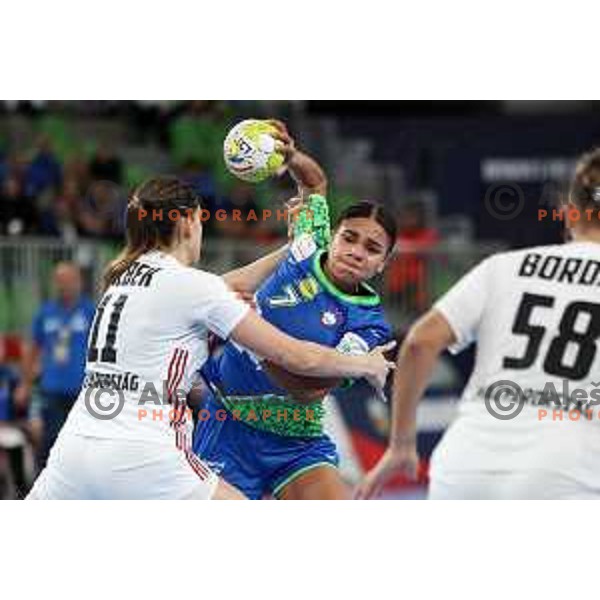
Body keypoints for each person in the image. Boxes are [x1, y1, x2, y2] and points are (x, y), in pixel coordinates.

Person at [27, 174, 394, 500]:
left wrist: (293, 249)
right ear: (189, 223)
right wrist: (365, 363)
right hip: (146, 448)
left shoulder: (122, 278)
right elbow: (299, 358)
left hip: (76, 443)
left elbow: (222, 288)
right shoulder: (192, 286)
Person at [357, 148, 600, 500]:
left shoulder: (504, 266)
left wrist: (401, 444)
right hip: (568, 471)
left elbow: (420, 342)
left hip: (465, 465)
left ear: (569, 212)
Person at [194, 132, 398, 500]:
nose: (356, 252)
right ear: (332, 236)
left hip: (297, 443)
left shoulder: (371, 324)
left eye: (372, 249)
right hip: (226, 428)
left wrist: (248, 331)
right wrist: (287, 156)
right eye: (349, 238)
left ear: (382, 264)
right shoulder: (306, 245)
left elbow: (312, 388)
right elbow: (315, 181)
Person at [15, 262, 95, 471]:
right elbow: (32, 349)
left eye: (68, 280)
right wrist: (24, 384)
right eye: (59, 281)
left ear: (79, 282)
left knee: (82, 444)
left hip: (82, 391)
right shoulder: (45, 312)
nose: (63, 285)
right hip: (51, 389)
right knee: (50, 441)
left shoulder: (90, 311)